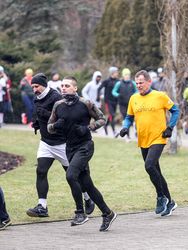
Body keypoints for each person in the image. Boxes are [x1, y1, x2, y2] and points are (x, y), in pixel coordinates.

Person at [48, 76, 116, 231]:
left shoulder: (86, 103)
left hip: (85, 146)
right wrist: (56, 126)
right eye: (62, 86)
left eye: (66, 85)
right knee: (87, 185)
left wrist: (88, 128)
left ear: (75, 88)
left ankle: (80, 213)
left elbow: (102, 119)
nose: (63, 88)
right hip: (69, 148)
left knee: (70, 175)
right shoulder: (58, 105)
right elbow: (49, 126)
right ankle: (108, 213)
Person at [27, 73, 95, 218]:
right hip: (46, 143)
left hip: (62, 144)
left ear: (44, 86)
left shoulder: (57, 98)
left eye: (36, 86)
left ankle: (88, 199)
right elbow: (38, 113)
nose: (34, 89)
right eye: (32, 87)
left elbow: (63, 118)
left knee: (74, 175)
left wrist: (43, 114)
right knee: (41, 171)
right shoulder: (37, 97)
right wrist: (36, 122)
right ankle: (42, 206)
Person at [119, 70, 180, 217]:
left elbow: (175, 111)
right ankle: (170, 202)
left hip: (158, 138)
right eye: (137, 83)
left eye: (141, 82)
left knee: (149, 165)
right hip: (143, 139)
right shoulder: (133, 98)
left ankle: (161, 197)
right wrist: (125, 127)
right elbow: (129, 117)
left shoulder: (160, 96)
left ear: (149, 82)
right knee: (155, 171)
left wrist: (170, 127)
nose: (138, 85)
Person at [112, 68, 137, 138]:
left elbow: (137, 91)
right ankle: (127, 135)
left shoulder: (133, 83)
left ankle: (134, 131)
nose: (127, 76)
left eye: (128, 75)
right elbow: (113, 91)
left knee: (131, 119)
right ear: (123, 75)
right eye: (126, 75)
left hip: (131, 104)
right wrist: (118, 95)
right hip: (122, 104)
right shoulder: (119, 83)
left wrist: (134, 95)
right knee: (126, 118)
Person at [97, 66, 119, 136]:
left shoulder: (118, 81)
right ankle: (114, 131)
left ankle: (105, 126)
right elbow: (99, 89)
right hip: (108, 101)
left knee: (111, 115)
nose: (117, 73)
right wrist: (98, 97)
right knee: (112, 115)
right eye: (116, 72)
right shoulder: (106, 81)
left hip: (115, 101)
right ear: (112, 73)